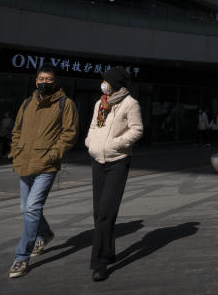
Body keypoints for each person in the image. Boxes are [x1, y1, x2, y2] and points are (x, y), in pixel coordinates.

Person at [7, 65, 79, 279]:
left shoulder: (66, 104)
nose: (43, 82)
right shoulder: (27, 102)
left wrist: (53, 155)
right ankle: (45, 234)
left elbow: (70, 134)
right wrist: (15, 152)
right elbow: (17, 130)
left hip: (46, 165)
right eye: (40, 78)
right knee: (25, 208)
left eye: (48, 79)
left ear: (55, 81)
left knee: (32, 208)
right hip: (24, 162)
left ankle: (21, 257)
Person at [85, 66, 143, 281]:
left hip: (118, 162)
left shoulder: (130, 104)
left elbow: (137, 130)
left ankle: (99, 262)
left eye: (107, 81)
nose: (104, 84)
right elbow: (93, 127)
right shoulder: (100, 103)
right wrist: (90, 144)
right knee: (98, 212)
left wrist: (115, 144)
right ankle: (108, 253)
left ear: (116, 83)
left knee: (106, 213)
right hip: (97, 161)